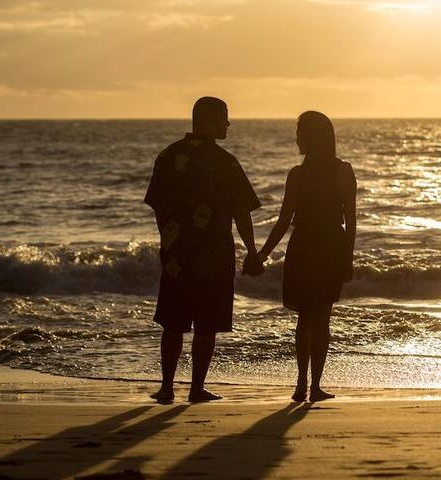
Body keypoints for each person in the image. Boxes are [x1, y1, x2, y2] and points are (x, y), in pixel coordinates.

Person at [144, 96, 264, 404]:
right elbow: (242, 213)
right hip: (214, 253)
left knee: (173, 322)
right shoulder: (225, 163)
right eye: (224, 118)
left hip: (176, 254)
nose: (228, 124)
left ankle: (167, 388)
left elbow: (157, 205)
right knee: (206, 324)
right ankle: (197, 388)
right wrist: (252, 251)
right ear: (210, 121)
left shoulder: (169, 156)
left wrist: (168, 239)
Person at [258, 111, 357, 403]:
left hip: (311, 247)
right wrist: (262, 253)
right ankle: (309, 385)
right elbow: (285, 219)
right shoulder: (312, 172)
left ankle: (307, 384)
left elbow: (350, 219)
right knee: (316, 318)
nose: (297, 138)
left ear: (315, 136)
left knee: (310, 318)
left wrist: (263, 254)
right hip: (321, 246)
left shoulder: (315, 172)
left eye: (301, 132)